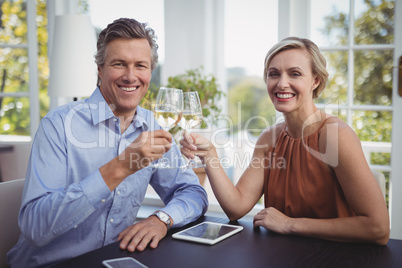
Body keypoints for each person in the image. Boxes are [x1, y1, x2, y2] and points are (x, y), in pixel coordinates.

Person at [7, 18, 208, 267]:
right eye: (119, 64)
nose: (131, 76)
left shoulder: (152, 125)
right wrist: (121, 166)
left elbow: (193, 192)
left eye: (140, 65)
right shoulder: (58, 125)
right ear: (100, 69)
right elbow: (36, 227)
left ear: (150, 73)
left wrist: (161, 219)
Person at [181, 37, 390, 245]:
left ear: (315, 80)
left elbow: (377, 228)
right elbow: (236, 208)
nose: (282, 83)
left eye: (295, 74)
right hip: (282, 255)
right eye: (274, 74)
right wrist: (209, 154)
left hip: (335, 258)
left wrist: (290, 224)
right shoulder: (269, 138)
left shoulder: (335, 136)